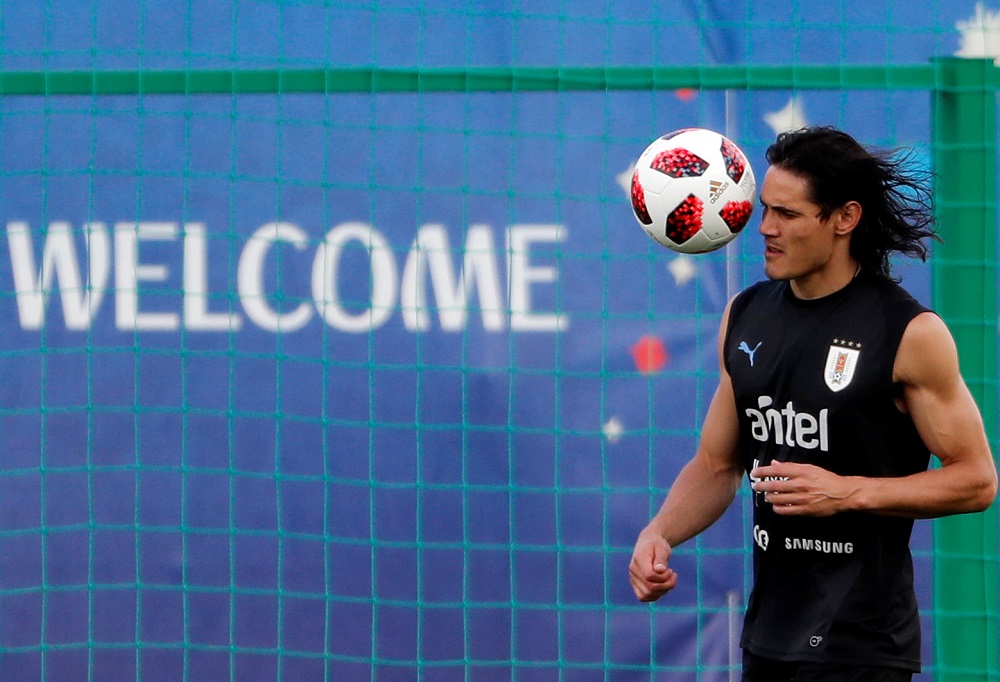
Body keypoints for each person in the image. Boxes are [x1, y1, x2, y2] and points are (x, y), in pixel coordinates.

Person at [628, 126, 998, 681]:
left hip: (861, 646)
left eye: (789, 215)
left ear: (844, 219)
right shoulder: (745, 313)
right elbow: (717, 464)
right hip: (769, 638)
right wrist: (660, 533)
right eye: (765, 211)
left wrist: (848, 492)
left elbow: (977, 480)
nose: (766, 229)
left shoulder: (909, 333)